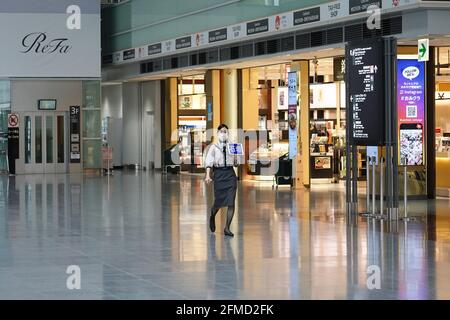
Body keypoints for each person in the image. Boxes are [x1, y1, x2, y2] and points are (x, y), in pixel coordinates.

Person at [204, 124, 239, 237]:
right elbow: (209, 162)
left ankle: (227, 228)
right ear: (218, 133)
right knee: (218, 202)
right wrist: (208, 176)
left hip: (230, 174)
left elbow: (236, 163)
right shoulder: (213, 147)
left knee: (231, 202)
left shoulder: (232, 146)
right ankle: (212, 215)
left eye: (226, 131)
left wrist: (235, 156)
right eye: (222, 131)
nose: (224, 133)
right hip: (219, 174)